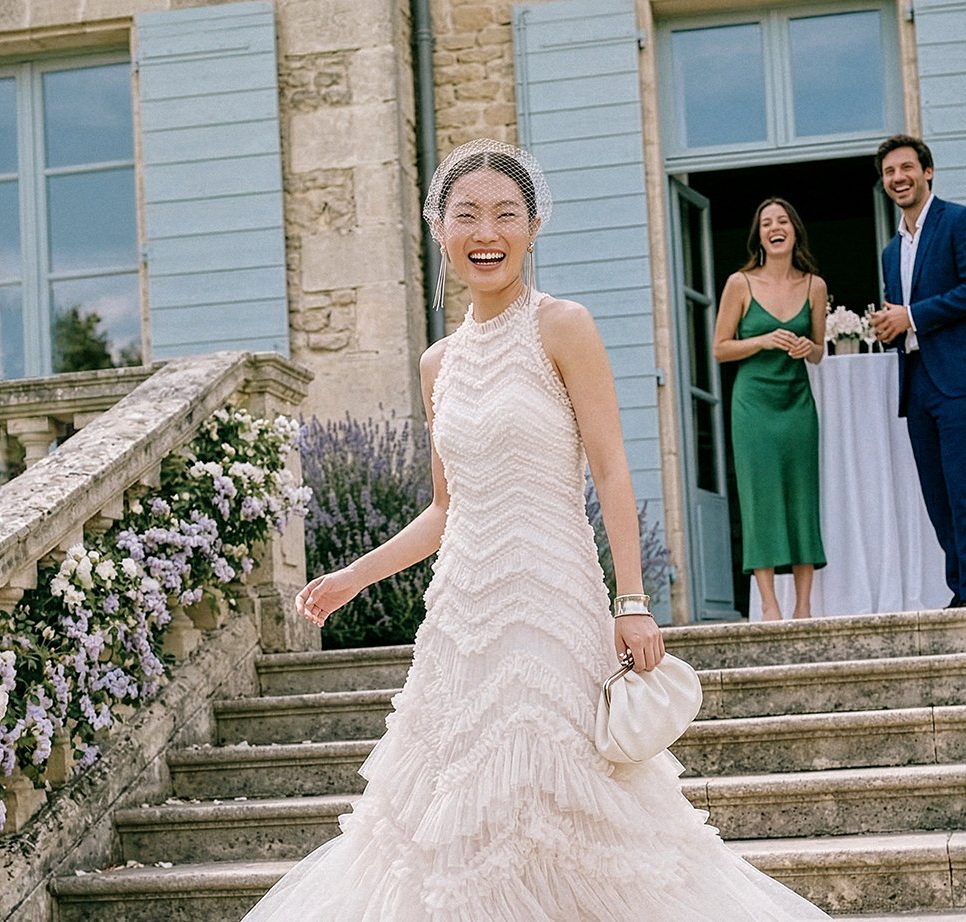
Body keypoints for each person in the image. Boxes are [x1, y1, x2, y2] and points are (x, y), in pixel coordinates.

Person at [241, 140, 832, 921]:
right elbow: (446, 511)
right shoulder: (436, 365)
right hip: (463, 615)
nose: (487, 232)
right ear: (442, 231)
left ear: (532, 226)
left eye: (506, 215)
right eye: (467, 215)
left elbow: (613, 470)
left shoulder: (565, 327)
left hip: (554, 596)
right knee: (458, 816)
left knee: (563, 797)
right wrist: (355, 575)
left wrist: (633, 599)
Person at [868, 134, 966, 608]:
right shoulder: (892, 251)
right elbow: (904, 311)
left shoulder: (961, 222)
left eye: (906, 168)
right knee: (937, 494)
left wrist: (912, 316)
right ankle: (961, 590)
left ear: (928, 172)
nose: (898, 178)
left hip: (964, 376)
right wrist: (892, 324)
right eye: (889, 172)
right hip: (919, 378)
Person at [713, 197, 828, 621]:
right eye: (766, 223)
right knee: (760, 500)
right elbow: (719, 348)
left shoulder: (815, 285)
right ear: (759, 235)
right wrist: (761, 341)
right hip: (753, 405)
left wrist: (806, 347)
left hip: (797, 403)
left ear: (794, 231)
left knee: (802, 497)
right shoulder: (739, 284)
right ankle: (769, 604)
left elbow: (818, 352)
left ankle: (803, 605)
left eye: (782, 221)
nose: (775, 228)